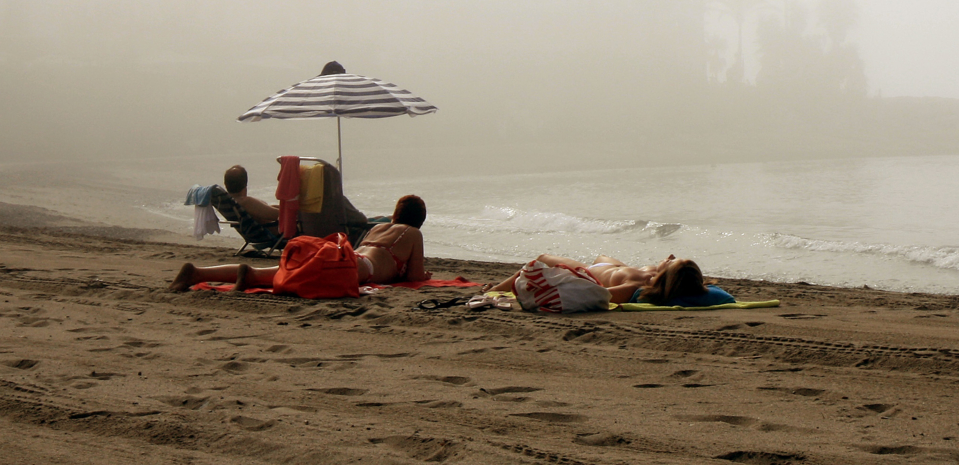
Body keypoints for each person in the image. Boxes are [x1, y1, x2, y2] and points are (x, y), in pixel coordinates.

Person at [168, 194, 430, 291]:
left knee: (274, 272)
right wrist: (424, 276)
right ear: (419, 220)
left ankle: (198, 272)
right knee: (281, 276)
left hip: (340, 253)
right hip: (356, 268)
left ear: (396, 213)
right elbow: (415, 275)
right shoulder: (413, 233)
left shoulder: (381, 226)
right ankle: (246, 277)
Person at [488, 253, 733, 306]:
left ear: (668, 276)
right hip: (615, 266)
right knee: (603, 254)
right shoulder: (653, 276)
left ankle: (493, 289)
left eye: (671, 262)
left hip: (595, 272)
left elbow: (604, 297)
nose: (669, 257)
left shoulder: (637, 286)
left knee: (542, 257)